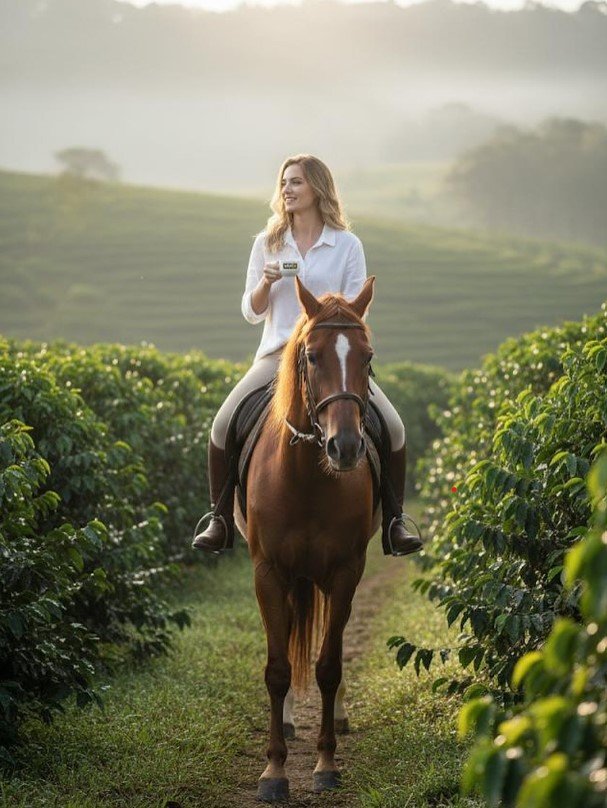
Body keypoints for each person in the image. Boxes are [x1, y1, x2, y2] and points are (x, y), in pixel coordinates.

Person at [192, 153, 422, 556]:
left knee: (395, 427)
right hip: (277, 356)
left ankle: (394, 522)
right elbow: (251, 311)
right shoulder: (267, 244)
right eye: (283, 183)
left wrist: (328, 319)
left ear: (317, 188)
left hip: (331, 358)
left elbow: (357, 309)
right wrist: (265, 283)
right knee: (221, 424)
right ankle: (220, 520)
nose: (287, 190)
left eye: (295, 182)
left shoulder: (347, 245)